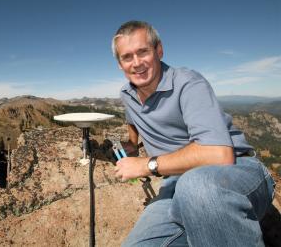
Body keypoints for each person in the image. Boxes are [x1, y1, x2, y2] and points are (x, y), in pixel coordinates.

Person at [112, 20, 276, 246]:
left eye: (143, 52)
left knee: (196, 186)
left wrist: (145, 164)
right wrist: (132, 144)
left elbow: (219, 155)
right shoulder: (126, 94)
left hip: (236, 171)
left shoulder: (188, 83)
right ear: (120, 64)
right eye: (127, 57)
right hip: (175, 184)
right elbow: (133, 119)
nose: (137, 63)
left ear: (159, 50)